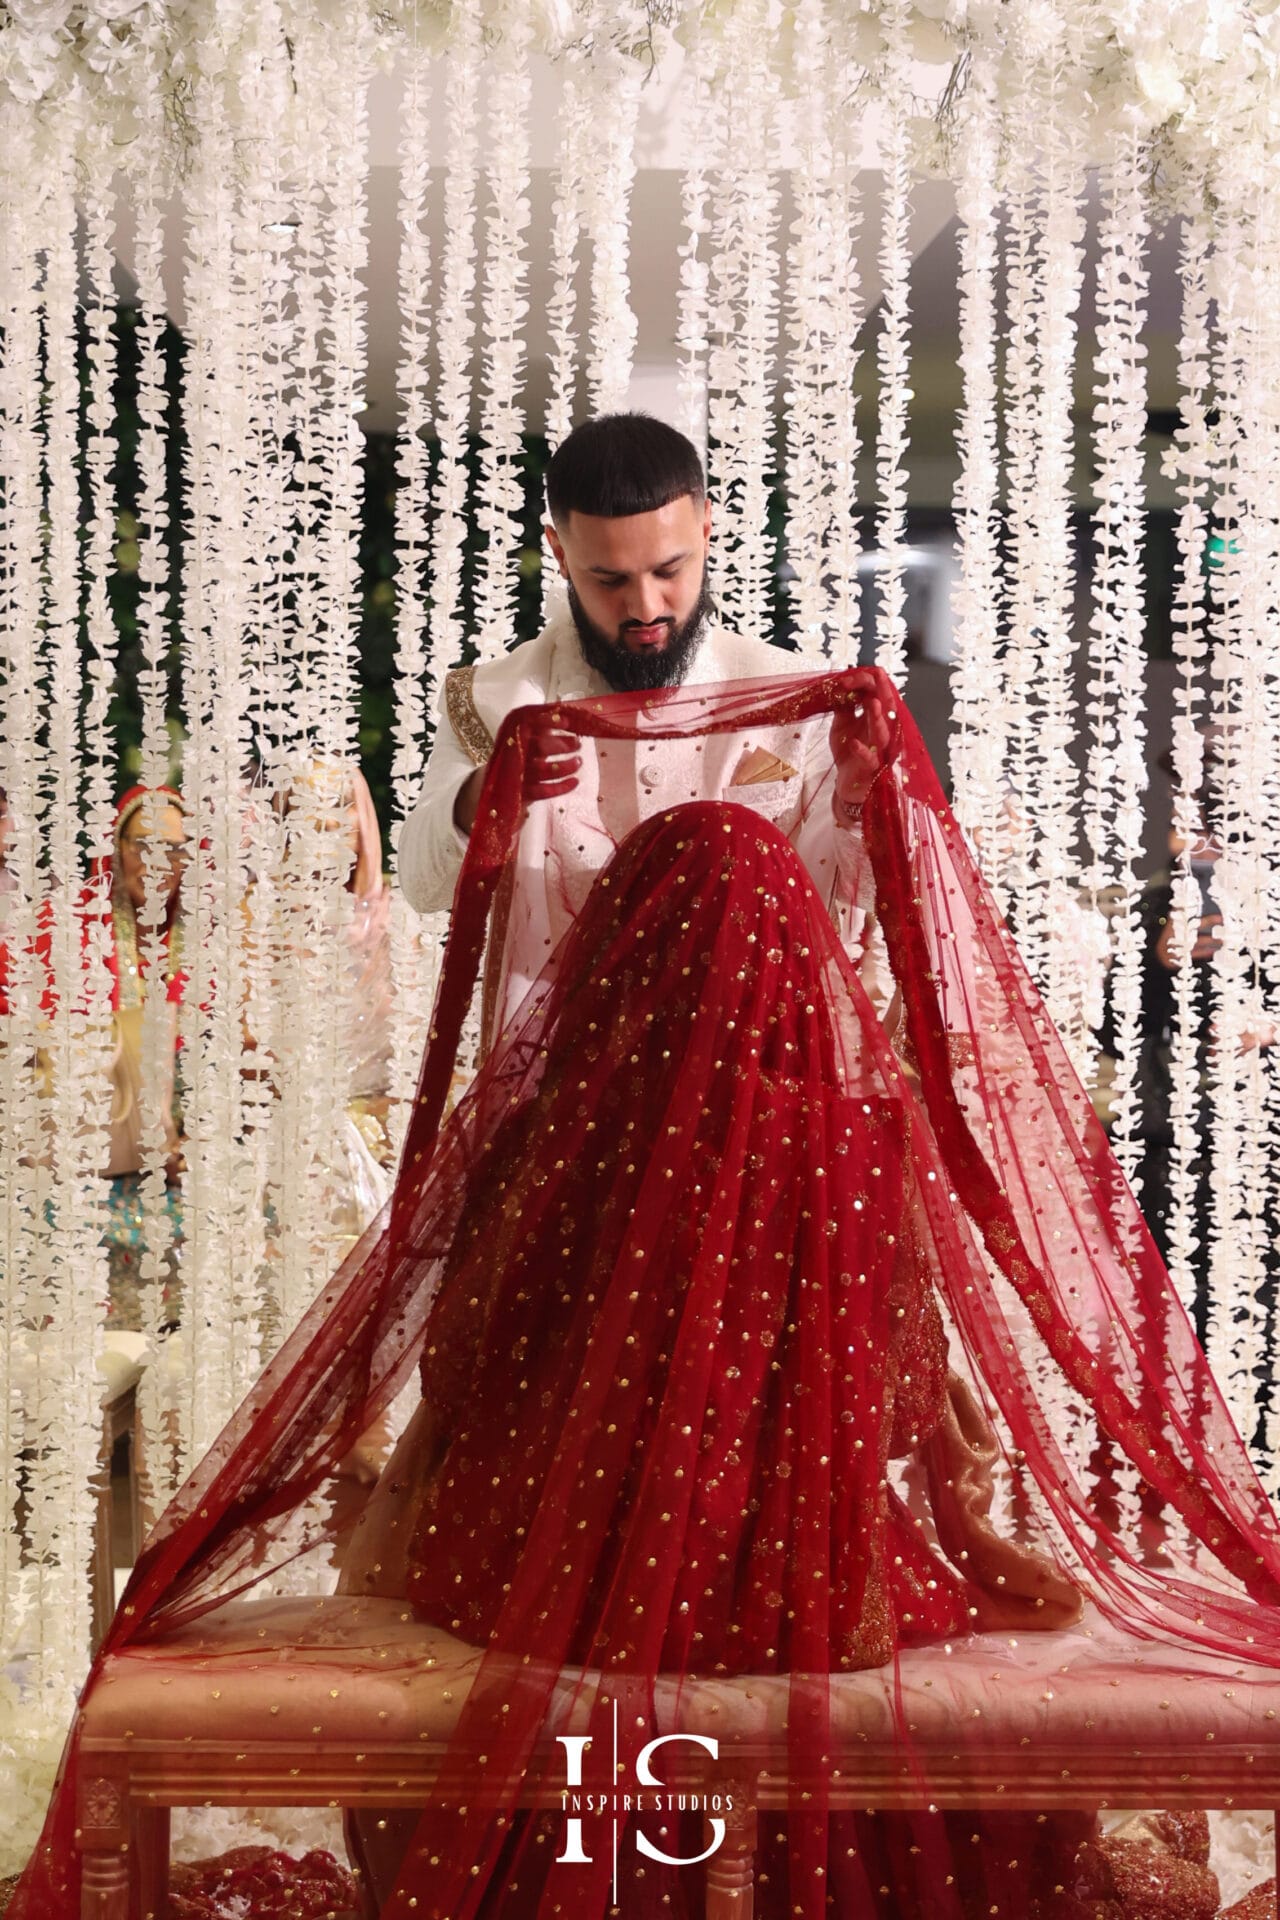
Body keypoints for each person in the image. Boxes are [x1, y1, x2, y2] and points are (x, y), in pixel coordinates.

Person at [398, 414, 893, 1044]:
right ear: (559, 553)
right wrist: (485, 797)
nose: (646, 608)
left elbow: (839, 924)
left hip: (755, 1075)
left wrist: (855, 802)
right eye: (609, 580)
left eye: (669, 571)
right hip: (560, 1081)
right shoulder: (499, 700)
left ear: (708, 530)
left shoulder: (798, 694)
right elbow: (422, 885)